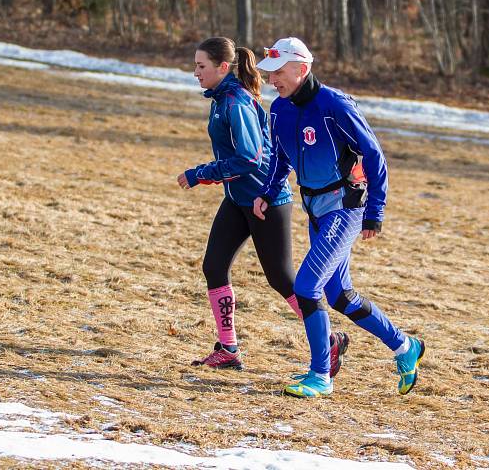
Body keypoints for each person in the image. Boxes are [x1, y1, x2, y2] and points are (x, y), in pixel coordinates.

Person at [252, 36, 425, 398]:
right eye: (269, 74)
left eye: (279, 73)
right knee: (339, 296)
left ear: (302, 69)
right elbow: (281, 159)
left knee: (306, 286)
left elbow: (374, 155)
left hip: (345, 209)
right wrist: (267, 193)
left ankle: (320, 375)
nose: (272, 81)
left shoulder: (334, 105)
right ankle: (405, 347)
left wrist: (375, 211)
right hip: (314, 210)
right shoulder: (279, 110)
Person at [178, 36, 349, 373]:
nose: (195, 72)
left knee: (282, 279)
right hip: (238, 198)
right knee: (213, 266)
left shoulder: (236, 101)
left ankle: (329, 340)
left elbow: (250, 156)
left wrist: (202, 173)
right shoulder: (220, 97)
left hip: (266, 200)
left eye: (201, 66)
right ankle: (228, 348)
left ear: (222, 68)